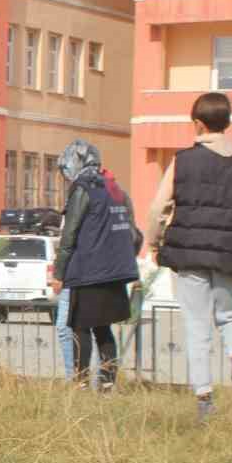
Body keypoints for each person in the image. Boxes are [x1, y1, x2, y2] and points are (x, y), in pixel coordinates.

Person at [147, 92, 232, 422]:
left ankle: (205, 399)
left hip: (189, 256)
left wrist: (155, 242)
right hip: (229, 254)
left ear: (198, 124)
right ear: (227, 124)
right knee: (230, 317)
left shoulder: (183, 161)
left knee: (197, 326)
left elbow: (158, 208)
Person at [50, 142, 142, 392]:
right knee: (104, 330)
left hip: (88, 271)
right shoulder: (115, 189)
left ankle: (80, 384)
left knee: (79, 328)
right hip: (115, 272)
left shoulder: (83, 189)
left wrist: (59, 273)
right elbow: (135, 235)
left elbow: (70, 235)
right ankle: (107, 386)